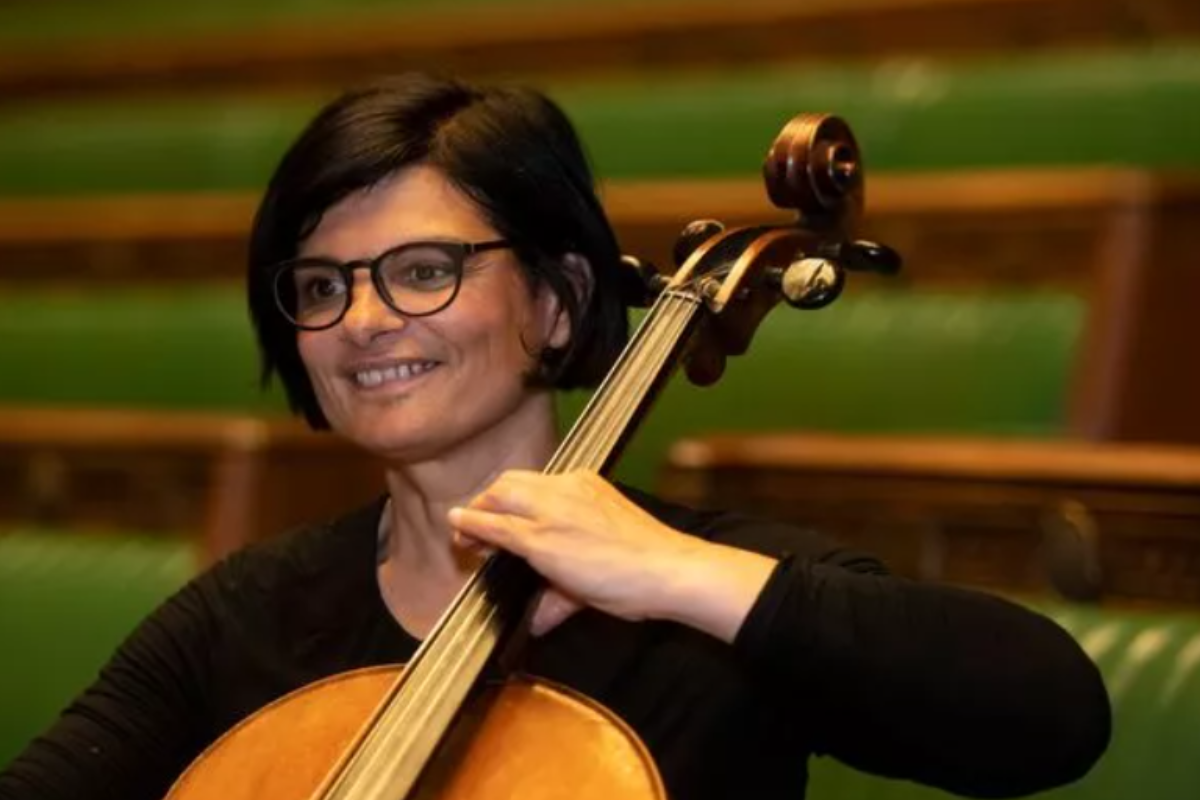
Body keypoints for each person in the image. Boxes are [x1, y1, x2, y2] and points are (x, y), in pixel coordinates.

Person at [0, 72, 1110, 800]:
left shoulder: (694, 606)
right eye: (321, 284)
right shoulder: (250, 616)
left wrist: (680, 574)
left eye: (425, 270)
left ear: (560, 299)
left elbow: (1050, 714)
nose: (366, 319)